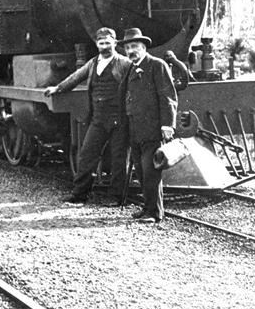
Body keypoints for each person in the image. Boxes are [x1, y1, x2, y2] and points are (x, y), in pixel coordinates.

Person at [45, 27, 132, 204]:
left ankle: (116, 198)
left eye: (108, 43)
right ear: (97, 44)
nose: (105, 46)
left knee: (118, 159)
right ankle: (79, 194)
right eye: (101, 43)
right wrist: (58, 88)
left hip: (119, 119)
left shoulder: (124, 63)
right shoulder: (93, 63)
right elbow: (75, 77)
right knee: (86, 156)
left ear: (115, 43)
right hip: (98, 118)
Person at [120, 28, 177, 223]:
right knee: (142, 171)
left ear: (144, 47)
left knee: (151, 171)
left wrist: (167, 125)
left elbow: (168, 97)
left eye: (134, 46)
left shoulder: (156, 65)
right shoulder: (130, 67)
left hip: (152, 128)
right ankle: (147, 208)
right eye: (127, 47)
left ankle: (154, 213)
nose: (130, 51)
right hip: (135, 129)